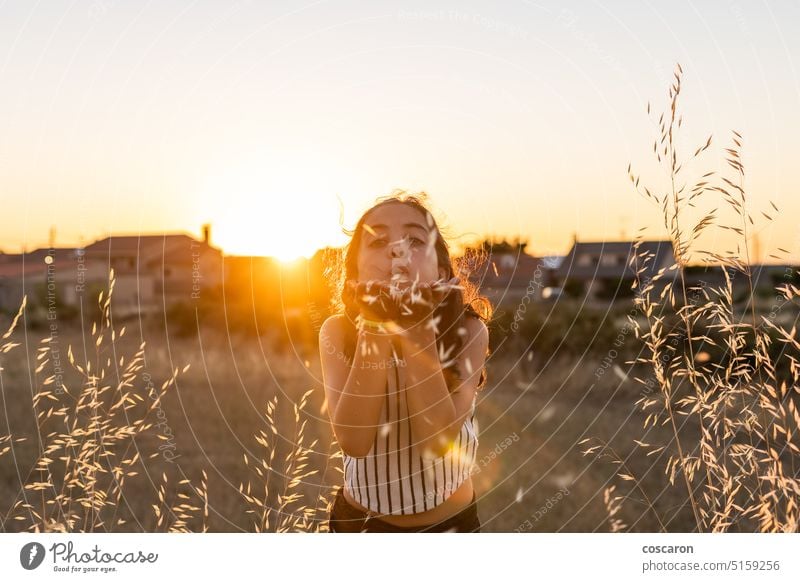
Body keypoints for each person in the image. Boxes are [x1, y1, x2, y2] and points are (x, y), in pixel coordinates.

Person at [319, 191, 493, 532]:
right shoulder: (338, 332)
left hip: (449, 524)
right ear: (353, 269)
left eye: (415, 240)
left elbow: (436, 441)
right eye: (379, 241)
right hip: (363, 525)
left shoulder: (469, 331)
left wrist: (417, 326)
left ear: (441, 269)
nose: (396, 251)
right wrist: (376, 324)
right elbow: (354, 442)